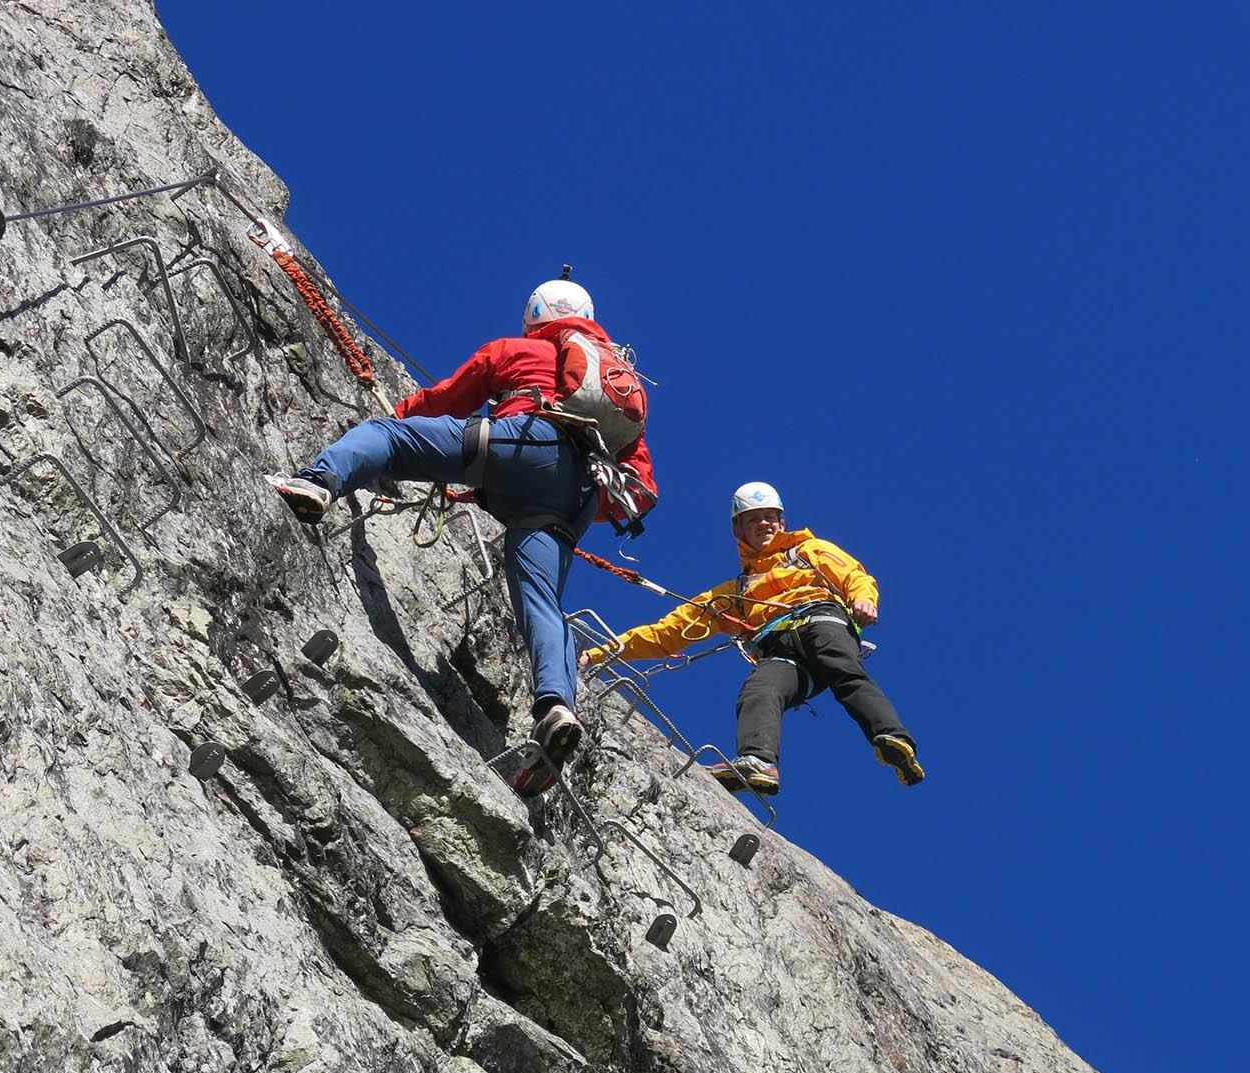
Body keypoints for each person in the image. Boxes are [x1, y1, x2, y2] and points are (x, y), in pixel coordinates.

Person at [267, 275, 658, 796]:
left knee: (387, 438)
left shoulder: (518, 350)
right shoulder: (619, 386)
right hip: (577, 496)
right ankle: (556, 708)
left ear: (535, 316)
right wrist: (574, 505)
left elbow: (450, 398)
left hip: (524, 443)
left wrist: (401, 418)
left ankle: (317, 481)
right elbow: (643, 489)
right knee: (542, 602)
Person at [581, 482, 922, 796]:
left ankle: (892, 737)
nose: (764, 525)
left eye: (770, 518)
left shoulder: (809, 551)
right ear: (738, 529)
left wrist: (864, 600)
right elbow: (666, 633)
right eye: (754, 519)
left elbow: (854, 576)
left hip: (819, 621)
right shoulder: (735, 594)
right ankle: (758, 762)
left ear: (782, 521)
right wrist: (598, 654)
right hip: (779, 652)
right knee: (760, 691)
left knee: (844, 670)